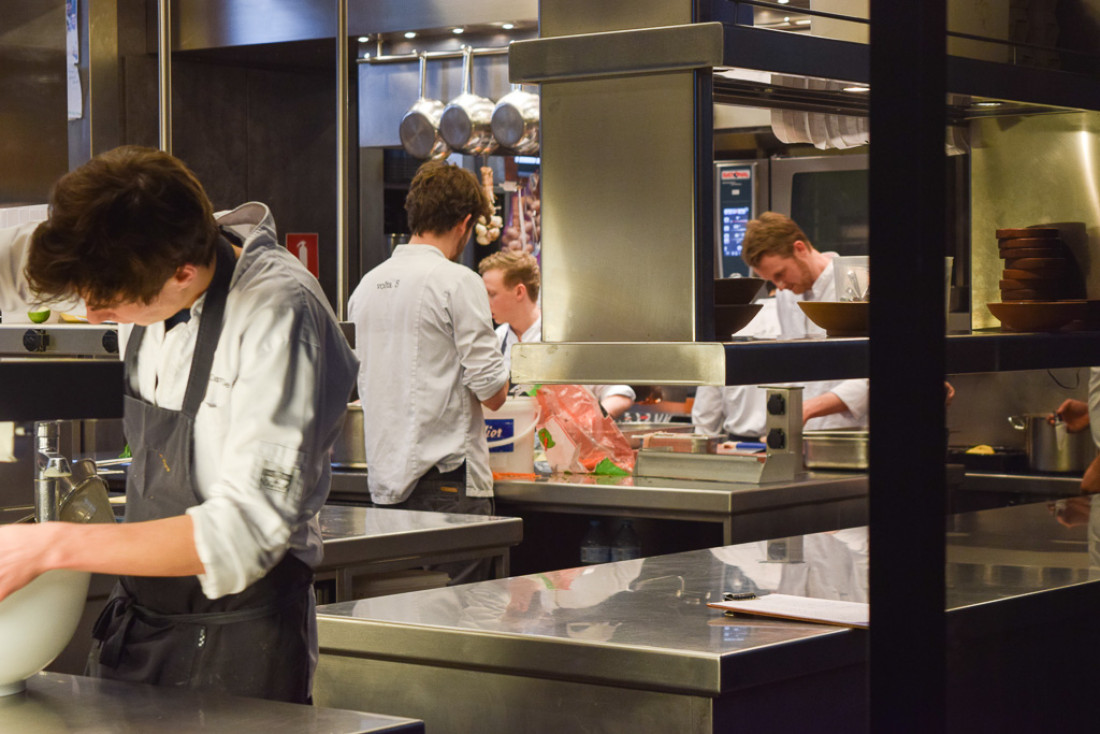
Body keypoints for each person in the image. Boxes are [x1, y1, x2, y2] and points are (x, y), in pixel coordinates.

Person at [0, 146, 358, 703]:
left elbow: (244, 531)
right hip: (141, 620)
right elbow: (14, 262)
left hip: (242, 643)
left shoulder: (279, 319)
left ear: (182, 275)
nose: (91, 316)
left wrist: (49, 546)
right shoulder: (124, 246)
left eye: (108, 305)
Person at [348, 161, 509, 582]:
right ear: (464, 222)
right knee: (464, 622)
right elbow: (493, 392)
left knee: (408, 614)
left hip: (385, 484)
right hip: (447, 485)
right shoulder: (457, 281)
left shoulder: (366, 286)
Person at [740, 212, 869, 430]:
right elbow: (793, 363)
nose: (779, 286)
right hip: (804, 434)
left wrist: (809, 408)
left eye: (780, 274)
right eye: (771, 280)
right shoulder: (786, 295)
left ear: (799, 248)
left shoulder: (855, 282)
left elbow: (870, 374)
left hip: (850, 434)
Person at [477, 249, 636, 418]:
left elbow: (620, 394)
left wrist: (590, 422)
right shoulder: (496, 339)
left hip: (561, 443)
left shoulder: (565, 337)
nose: (485, 302)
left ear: (519, 292)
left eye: (492, 294)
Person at [693, 283, 782, 440]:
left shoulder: (735, 325)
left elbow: (705, 413)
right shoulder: (806, 327)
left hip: (737, 445)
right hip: (794, 443)